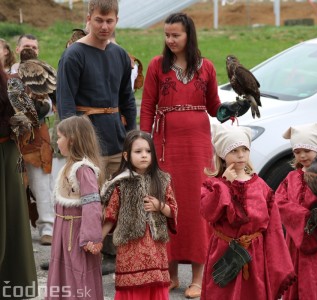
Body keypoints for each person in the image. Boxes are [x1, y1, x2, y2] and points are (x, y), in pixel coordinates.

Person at [140, 12, 251, 298]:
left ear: (189, 35)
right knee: (167, 204)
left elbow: (214, 106)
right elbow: (147, 107)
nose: (170, 39)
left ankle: (199, 278)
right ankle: (171, 274)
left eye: (175, 35)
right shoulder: (156, 65)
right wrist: (143, 143)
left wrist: (233, 109)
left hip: (198, 147)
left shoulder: (207, 68)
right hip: (165, 145)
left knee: (197, 208)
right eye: (167, 35)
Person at [56, 0, 137, 274]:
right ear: (89, 18)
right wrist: (72, 144)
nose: (104, 26)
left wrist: (132, 137)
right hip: (87, 142)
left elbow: (127, 99)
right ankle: (86, 255)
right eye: (99, 20)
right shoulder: (73, 56)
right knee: (90, 201)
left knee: (119, 197)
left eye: (110, 20)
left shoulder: (120, 55)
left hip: (116, 137)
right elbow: (65, 104)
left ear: (116, 20)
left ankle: (116, 254)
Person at [200, 124, 296, 300]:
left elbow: (273, 228)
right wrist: (224, 185)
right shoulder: (213, 185)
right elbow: (208, 213)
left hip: (254, 256)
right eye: (234, 150)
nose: (240, 155)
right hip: (224, 252)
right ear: (222, 155)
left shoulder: (261, 187)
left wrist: (276, 263)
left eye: (244, 149)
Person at [100, 130, 178, 299]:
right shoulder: (121, 182)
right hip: (130, 246)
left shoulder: (162, 179)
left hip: (155, 247)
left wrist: (160, 206)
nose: (144, 155)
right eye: (138, 151)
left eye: (148, 151)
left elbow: (173, 211)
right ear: (126, 156)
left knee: (155, 283)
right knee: (131, 285)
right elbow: (110, 215)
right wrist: (98, 239)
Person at [275, 123, 317, 300]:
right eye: (297, 152)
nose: (302, 155)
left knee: (316, 281)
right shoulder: (291, 178)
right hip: (295, 240)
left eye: (307, 150)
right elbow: (279, 201)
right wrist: (303, 216)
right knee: (297, 279)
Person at [46, 115, 104, 300]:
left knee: (78, 274)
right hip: (63, 232)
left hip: (77, 234)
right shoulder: (68, 166)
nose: (57, 140)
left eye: (60, 136)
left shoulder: (83, 169)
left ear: (72, 140)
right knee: (63, 272)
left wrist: (90, 237)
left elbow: (92, 204)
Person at [10, 33, 55, 246]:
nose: (32, 50)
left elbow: (52, 108)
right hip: (12, 136)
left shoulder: (44, 73)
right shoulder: (7, 75)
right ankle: (15, 230)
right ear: (17, 49)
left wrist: (40, 107)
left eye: (35, 47)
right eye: (27, 46)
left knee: (41, 183)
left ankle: (47, 228)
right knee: (14, 185)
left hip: (38, 134)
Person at [0, 61, 38, 299]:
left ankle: (13, 281)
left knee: (12, 216)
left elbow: (37, 114)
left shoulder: (8, 83)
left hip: (6, 153)